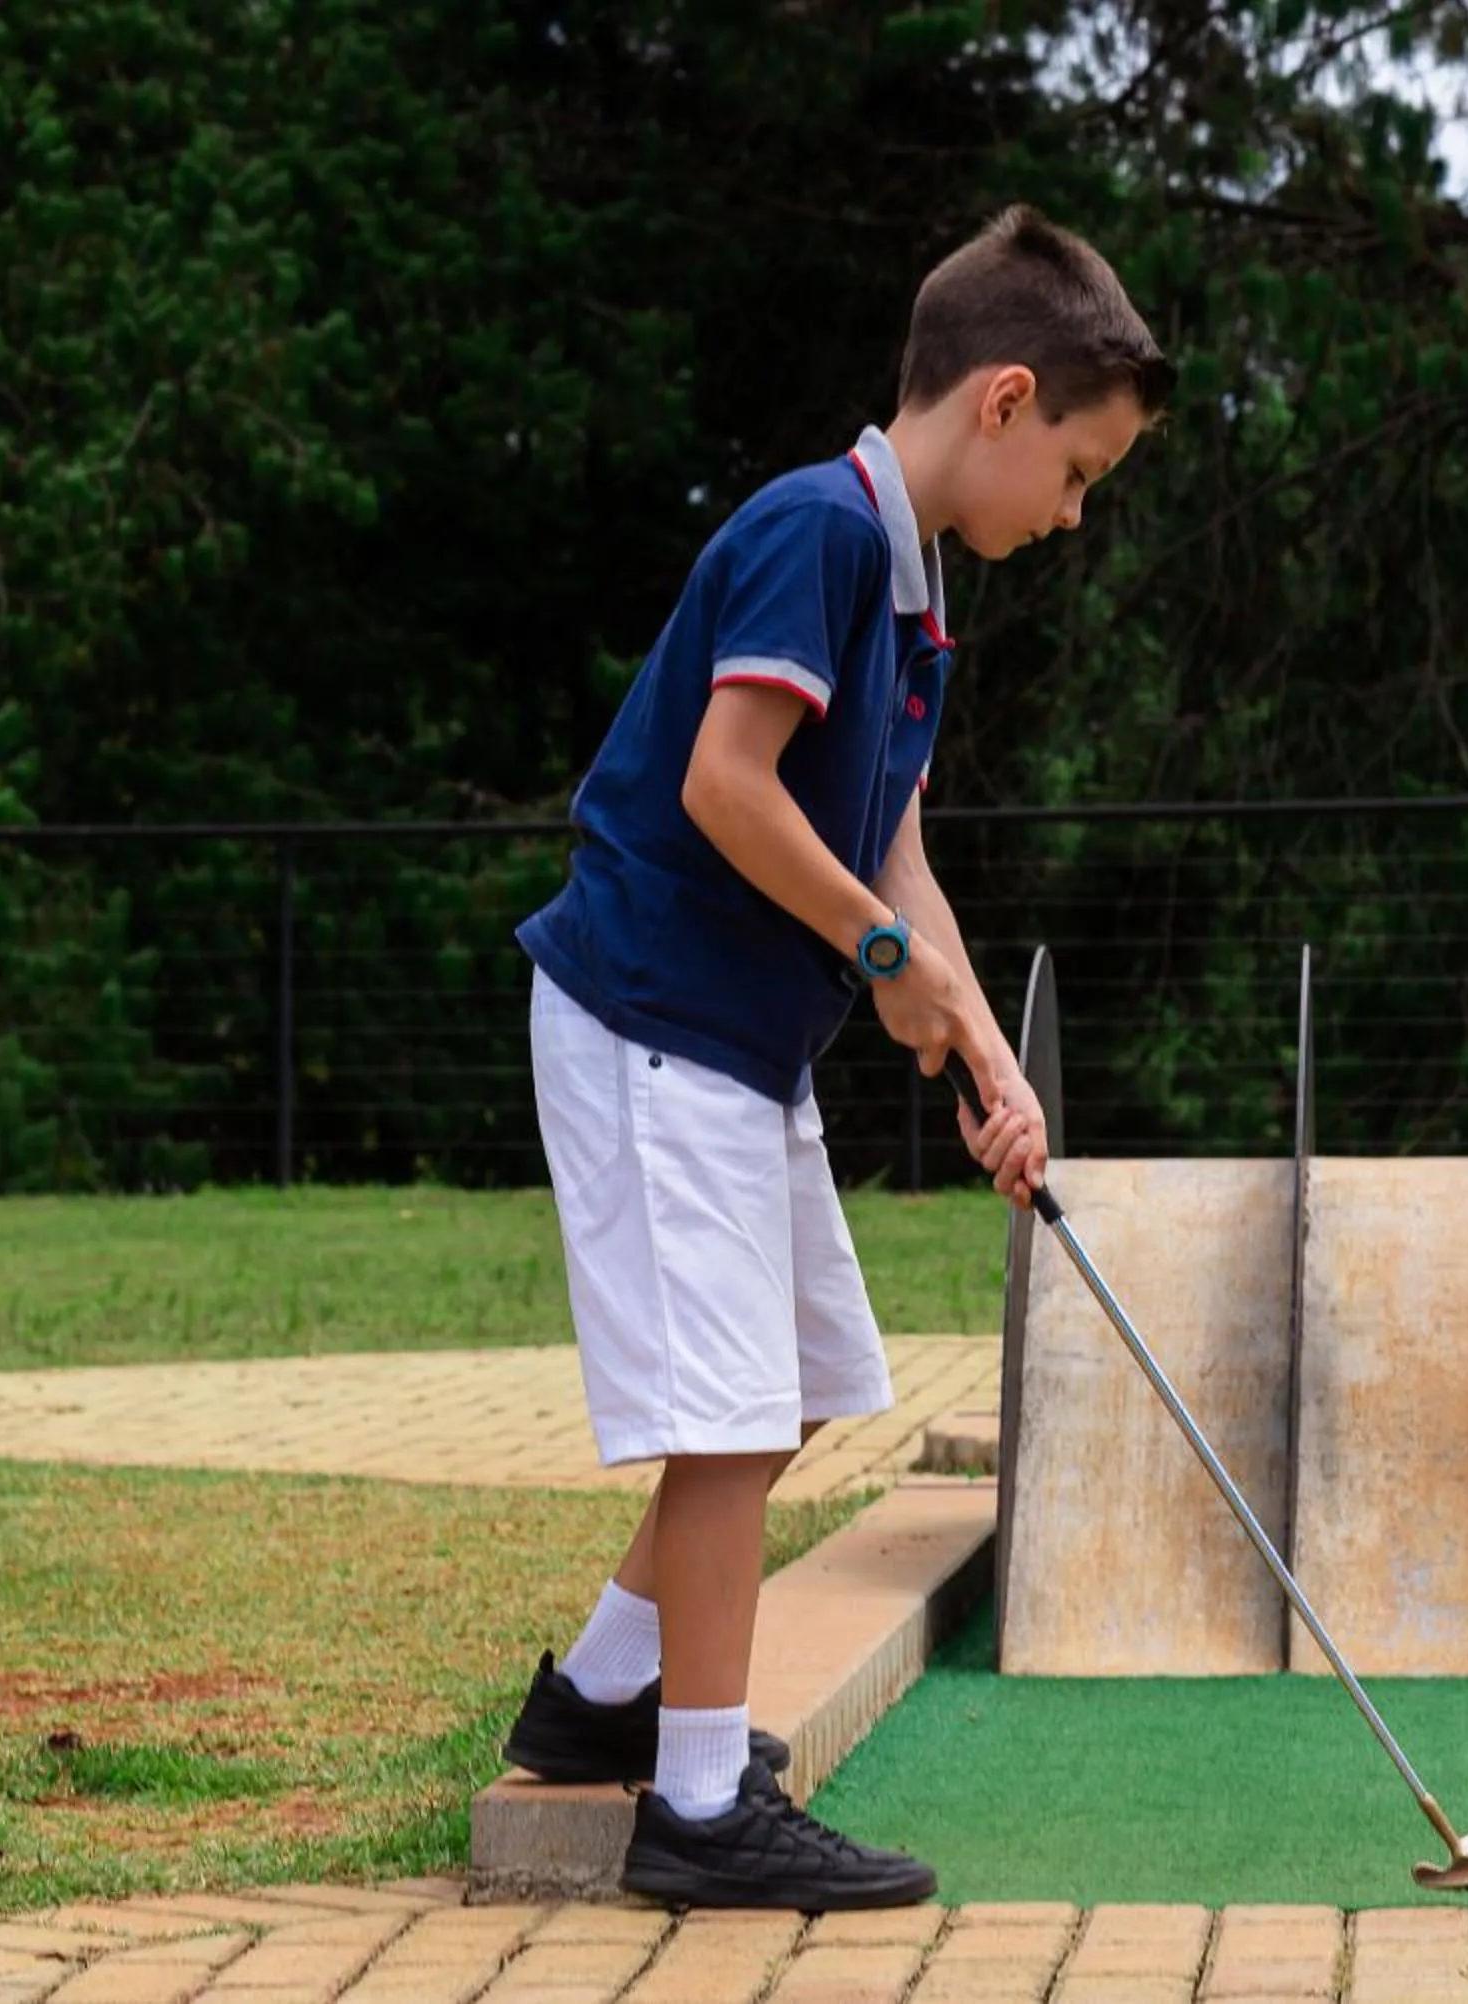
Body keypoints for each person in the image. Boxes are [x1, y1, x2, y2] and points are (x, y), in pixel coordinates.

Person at [490, 203, 1171, 1911]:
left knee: (784, 1391)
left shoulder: (917, 594)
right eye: (1080, 473)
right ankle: (701, 1810)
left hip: (736, 1048)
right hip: (654, 1022)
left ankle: (592, 1707)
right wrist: (877, 961)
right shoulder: (819, 532)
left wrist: (987, 1056)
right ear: (1005, 401)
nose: (1077, 516)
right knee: (722, 1418)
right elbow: (731, 787)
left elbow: (897, 851)